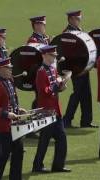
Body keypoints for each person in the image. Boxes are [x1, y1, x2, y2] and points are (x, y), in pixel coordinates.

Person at [32, 45, 70, 173]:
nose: (54, 57)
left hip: (55, 110)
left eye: (54, 55)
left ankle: (58, 165)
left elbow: (55, 89)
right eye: (52, 55)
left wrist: (62, 86)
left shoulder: (52, 70)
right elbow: (43, 91)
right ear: (44, 56)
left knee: (62, 138)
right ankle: (37, 165)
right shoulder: (41, 71)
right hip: (47, 111)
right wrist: (56, 85)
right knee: (44, 140)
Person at [0, 58, 25, 180]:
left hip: (15, 124)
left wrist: (18, 109)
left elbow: (12, 100)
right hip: (3, 126)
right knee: (4, 154)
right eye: (8, 68)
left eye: (10, 68)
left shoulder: (10, 81)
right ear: (0, 69)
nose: (10, 70)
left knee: (18, 152)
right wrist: (7, 114)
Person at [62, 10, 96, 128]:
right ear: (71, 19)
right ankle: (67, 119)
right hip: (76, 68)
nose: (79, 20)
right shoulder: (68, 33)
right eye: (77, 18)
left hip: (84, 67)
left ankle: (86, 120)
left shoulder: (79, 30)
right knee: (77, 94)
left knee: (86, 93)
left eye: (79, 18)